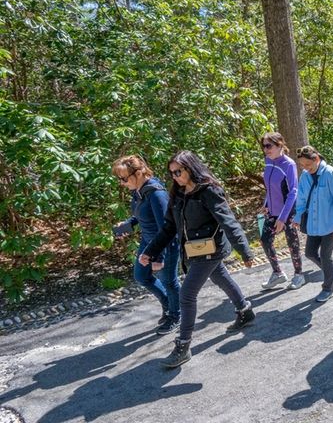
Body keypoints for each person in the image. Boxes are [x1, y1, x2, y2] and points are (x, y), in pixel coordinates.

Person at [140, 151, 256, 368]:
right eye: (171, 173)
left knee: (186, 294)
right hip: (194, 251)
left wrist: (245, 251)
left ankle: (183, 345)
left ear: (190, 168)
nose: (175, 176)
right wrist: (151, 251)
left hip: (211, 249)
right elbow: (168, 228)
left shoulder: (209, 191)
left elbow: (228, 222)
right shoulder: (178, 194)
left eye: (178, 171)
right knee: (221, 277)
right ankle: (245, 311)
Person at [112, 155, 181, 336]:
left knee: (169, 281)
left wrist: (159, 257)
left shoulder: (157, 194)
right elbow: (140, 214)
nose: (122, 183)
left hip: (165, 245)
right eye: (120, 179)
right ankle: (168, 305)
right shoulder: (138, 191)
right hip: (148, 241)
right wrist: (129, 224)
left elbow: (167, 228)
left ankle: (176, 315)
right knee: (141, 276)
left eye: (124, 178)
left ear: (139, 173)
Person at [293, 146, 333, 302]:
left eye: (308, 165)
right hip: (313, 223)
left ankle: (328, 288)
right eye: (302, 165)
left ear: (316, 159)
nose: (305, 168)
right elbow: (301, 198)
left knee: (325, 255)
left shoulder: (330, 174)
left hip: (330, 224)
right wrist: (297, 217)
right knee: (310, 253)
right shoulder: (305, 176)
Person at [258, 132, 305, 290]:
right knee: (265, 239)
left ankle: (299, 275)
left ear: (279, 145)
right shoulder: (268, 161)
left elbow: (293, 192)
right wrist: (266, 204)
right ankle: (278, 273)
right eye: (263, 146)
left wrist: (283, 218)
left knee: (292, 243)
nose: (265, 149)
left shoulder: (288, 164)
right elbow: (269, 187)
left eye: (268, 146)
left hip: (288, 211)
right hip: (272, 211)